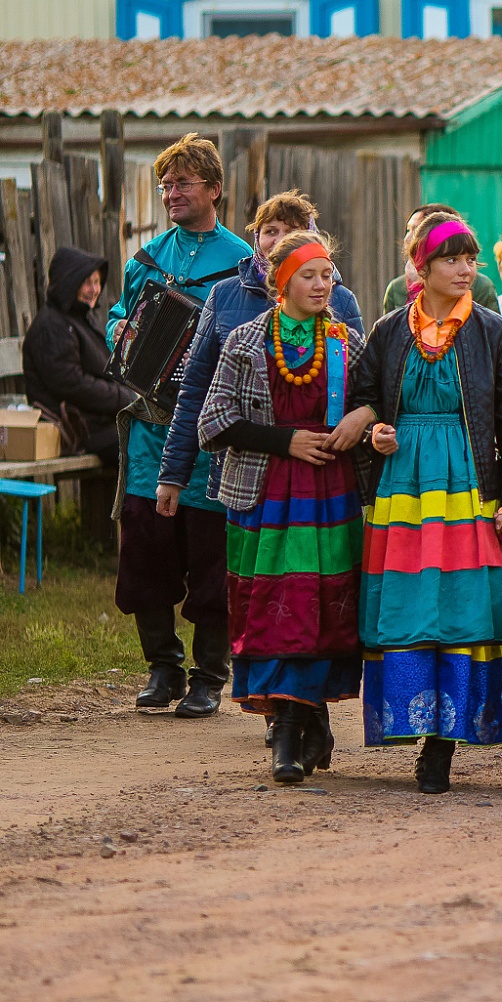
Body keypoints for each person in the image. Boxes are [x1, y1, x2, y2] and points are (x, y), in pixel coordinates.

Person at [335, 213, 502, 794]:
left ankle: (444, 744)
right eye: (452, 259)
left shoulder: (491, 332)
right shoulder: (392, 330)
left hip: (468, 484)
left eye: (471, 259)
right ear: (423, 267)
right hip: (404, 490)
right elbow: (366, 398)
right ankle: (416, 725)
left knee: (462, 609)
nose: (466, 269)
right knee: (412, 608)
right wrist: (377, 434)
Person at [195, 232, 363, 785]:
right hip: (264, 495)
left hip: (330, 496)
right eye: (311, 276)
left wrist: (364, 417)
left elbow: (378, 403)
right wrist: (284, 440)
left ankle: (311, 713)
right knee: (274, 608)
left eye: (329, 275)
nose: (324, 286)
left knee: (321, 604)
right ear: (281, 282)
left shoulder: (345, 343)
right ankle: (286, 730)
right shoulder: (245, 341)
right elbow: (212, 422)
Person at [108, 134, 256, 717]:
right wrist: (120, 331)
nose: (171, 193)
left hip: (212, 435)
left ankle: (209, 675)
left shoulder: (242, 262)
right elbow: (121, 312)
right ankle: (162, 668)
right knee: (145, 546)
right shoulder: (145, 258)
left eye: (183, 183)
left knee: (210, 555)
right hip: (150, 426)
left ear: (214, 189)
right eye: (166, 185)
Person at [163, 192, 365, 530]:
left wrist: (367, 415)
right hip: (251, 476)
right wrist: (173, 473)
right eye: (271, 230)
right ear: (256, 238)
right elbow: (199, 394)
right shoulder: (236, 319)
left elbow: (366, 389)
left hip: (327, 477)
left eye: (294, 230)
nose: (280, 240)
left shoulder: (341, 320)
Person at [24, 245, 130, 459]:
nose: (94, 290)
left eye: (97, 282)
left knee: (159, 435)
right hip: (78, 429)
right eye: (87, 282)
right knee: (144, 447)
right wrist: (123, 397)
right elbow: (72, 385)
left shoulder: (78, 319)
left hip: (98, 423)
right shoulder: (52, 326)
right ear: (68, 283)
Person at [380, 204, 500, 314]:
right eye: (408, 230)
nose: (407, 239)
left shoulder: (480, 288)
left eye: (416, 230)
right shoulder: (396, 289)